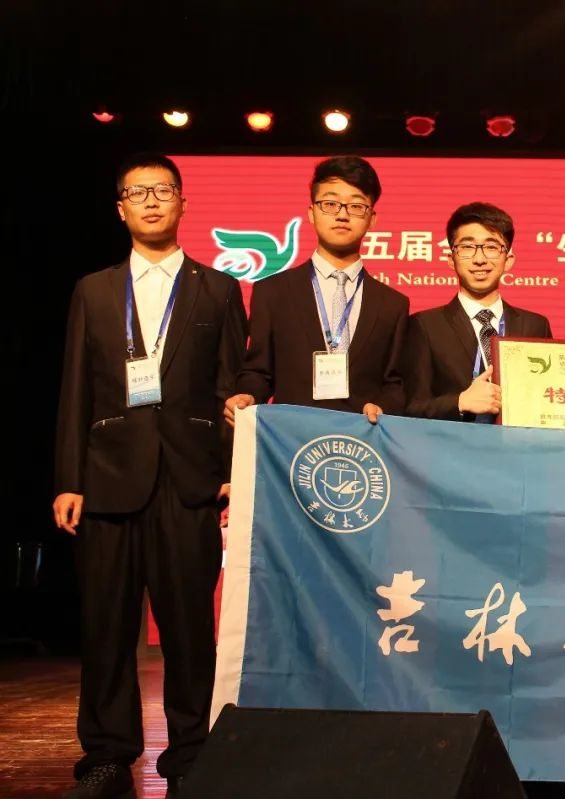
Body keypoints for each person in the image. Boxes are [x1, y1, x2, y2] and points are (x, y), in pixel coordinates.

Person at [53, 152, 247, 799]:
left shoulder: (218, 288)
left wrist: (229, 470)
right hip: (107, 478)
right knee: (105, 625)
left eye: (163, 190)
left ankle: (191, 752)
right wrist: (68, 478)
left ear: (183, 202)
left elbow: (230, 387)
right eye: (138, 193)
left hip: (189, 480)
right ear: (121, 209)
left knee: (189, 628)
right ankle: (108, 754)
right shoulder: (94, 289)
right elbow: (75, 389)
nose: (152, 201)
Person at [225, 155, 408, 426]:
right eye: (330, 204)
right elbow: (259, 371)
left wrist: (384, 407)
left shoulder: (393, 304)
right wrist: (248, 395)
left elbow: (394, 383)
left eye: (356, 206)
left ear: (372, 219)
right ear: (311, 213)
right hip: (291, 438)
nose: (342, 215)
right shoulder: (272, 292)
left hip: (362, 440)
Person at [403, 202, 552, 423]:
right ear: (451, 259)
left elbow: (548, 398)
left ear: (508, 260)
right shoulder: (425, 325)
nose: (479, 259)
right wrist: (459, 402)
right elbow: (411, 408)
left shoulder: (535, 325)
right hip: (453, 443)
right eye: (467, 247)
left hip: (519, 443)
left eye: (491, 247)